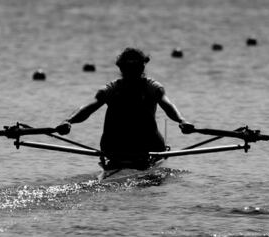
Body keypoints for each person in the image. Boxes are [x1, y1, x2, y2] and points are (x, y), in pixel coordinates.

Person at [56, 47, 194, 168]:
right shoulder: (113, 89)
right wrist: (68, 121)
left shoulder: (148, 88)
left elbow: (168, 106)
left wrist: (182, 120)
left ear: (141, 68)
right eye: (129, 69)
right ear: (122, 68)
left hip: (117, 148)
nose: (132, 72)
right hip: (142, 147)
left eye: (134, 68)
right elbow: (88, 108)